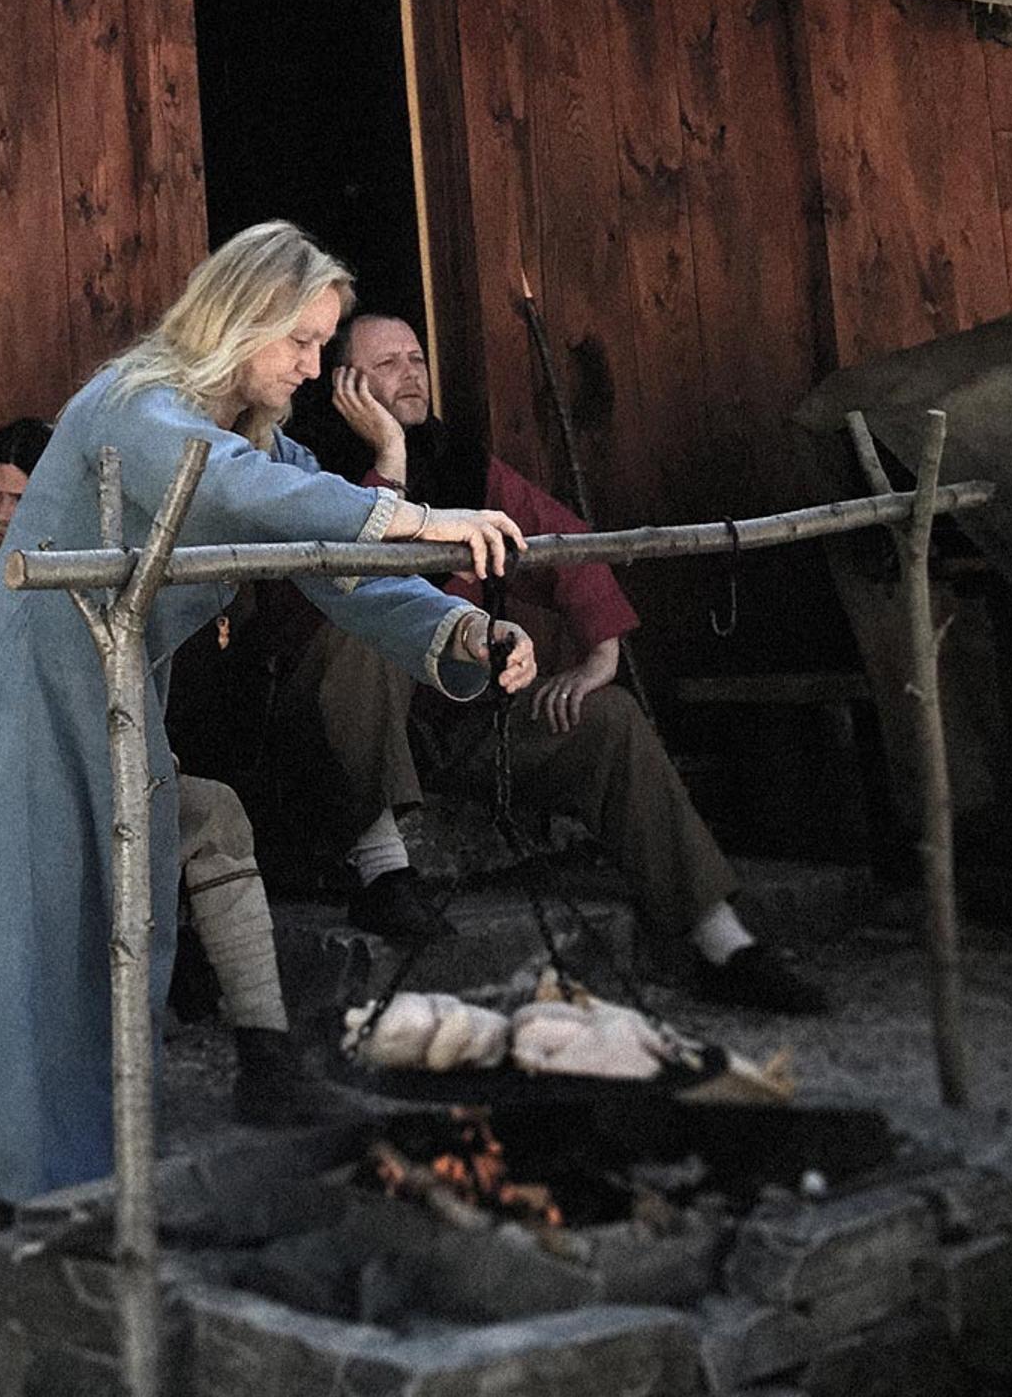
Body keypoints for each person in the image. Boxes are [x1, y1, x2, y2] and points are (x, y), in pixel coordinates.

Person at [0, 222, 531, 1364]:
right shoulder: (137, 405)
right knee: (6, 986)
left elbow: (335, 561)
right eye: (305, 343)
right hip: (16, 726)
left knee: (104, 979)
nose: (313, 370)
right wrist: (419, 517)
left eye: (323, 347)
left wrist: (462, 628)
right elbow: (231, 489)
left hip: (115, 721)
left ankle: (77, 1243)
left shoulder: (255, 439)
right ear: (244, 316)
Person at [294, 312, 832, 1015]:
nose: (412, 372)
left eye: (417, 358)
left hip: (459, 723)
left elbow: (560, 538)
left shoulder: (461, 465)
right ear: (343, 385)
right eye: (388, 363)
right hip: (339, 731)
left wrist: (599, 651)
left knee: (606, 719)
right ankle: (383, 873)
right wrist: (387, 458)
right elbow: (356, 587)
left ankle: (721, 941)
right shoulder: (309, 469)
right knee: (364, 632)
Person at [0, 416, 332, 1126]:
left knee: (213, 811)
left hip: (87, 780)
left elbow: (133, 706)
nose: (2, 514)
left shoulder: (101, 578)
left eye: (18, 498)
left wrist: (141, 766)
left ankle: (265, 1049)